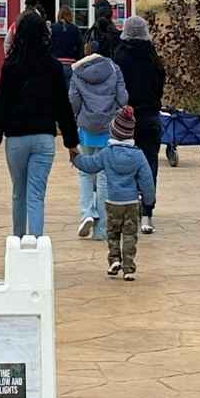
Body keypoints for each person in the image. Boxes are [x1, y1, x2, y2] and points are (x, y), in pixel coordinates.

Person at [0, 11, 79, 238]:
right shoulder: (53, 67)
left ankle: (17, 241)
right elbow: (63, 106)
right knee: (36, 194)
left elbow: (2, 105)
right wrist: (71, 142)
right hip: (44, 137)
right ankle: (36, 243)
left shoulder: (10, 66)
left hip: (16, 137)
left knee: (19, 192)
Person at [71, 105, 155, 280]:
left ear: (113, 132)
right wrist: (149, 199)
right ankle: (128, 268)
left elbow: (90, 165)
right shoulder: (138, 155)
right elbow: (147, 180)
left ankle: (114, 260)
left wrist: (76, 158)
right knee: (130, 235)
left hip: (112, 202)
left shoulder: (106, 153)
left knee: (113, 233)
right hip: (131, 203)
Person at [68, 40, 128, 241]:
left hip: (86, 128)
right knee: (103, 177)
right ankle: (101, 228)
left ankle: (87, 212)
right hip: (108, 128)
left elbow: (73, 101)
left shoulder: (77, 71)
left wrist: (76, 118)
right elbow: (123, 98)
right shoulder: (114, 69)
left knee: (85, 173)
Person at [114, 15, 167, 234]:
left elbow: (115, 88)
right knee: (149, 165)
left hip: (125, 118)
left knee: (122, 165)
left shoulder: (118, 56)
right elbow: (159, 86)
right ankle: (147, 213)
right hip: (149, 116)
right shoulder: (153, 58)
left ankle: (126, 209)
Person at [49, 5, 84, 71]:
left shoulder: (53, 28)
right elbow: (80, 47)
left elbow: (48, 45)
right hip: (71, 63)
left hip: (56, 62)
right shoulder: (75, 29)